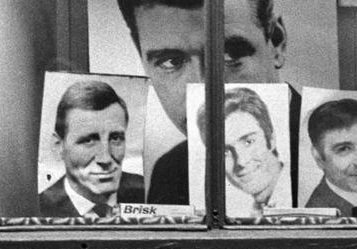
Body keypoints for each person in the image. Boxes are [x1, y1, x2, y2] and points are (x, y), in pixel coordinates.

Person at [116, 0, 287, 206]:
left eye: (228, 55)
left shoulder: (327, 146)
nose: (202, 89)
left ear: (276, 44)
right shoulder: (170, 170)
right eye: (170, 62)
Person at [39, 80, 145, 218]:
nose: (105, 158)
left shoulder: (149, 193)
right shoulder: (37, 210)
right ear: (59, 146)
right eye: (88, 140)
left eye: (115, 138)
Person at [198, 86, 284, 217]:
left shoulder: (300, 197)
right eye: (224, 152)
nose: (241, 161)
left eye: (248, 142)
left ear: (271, 139)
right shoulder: (251, 212)